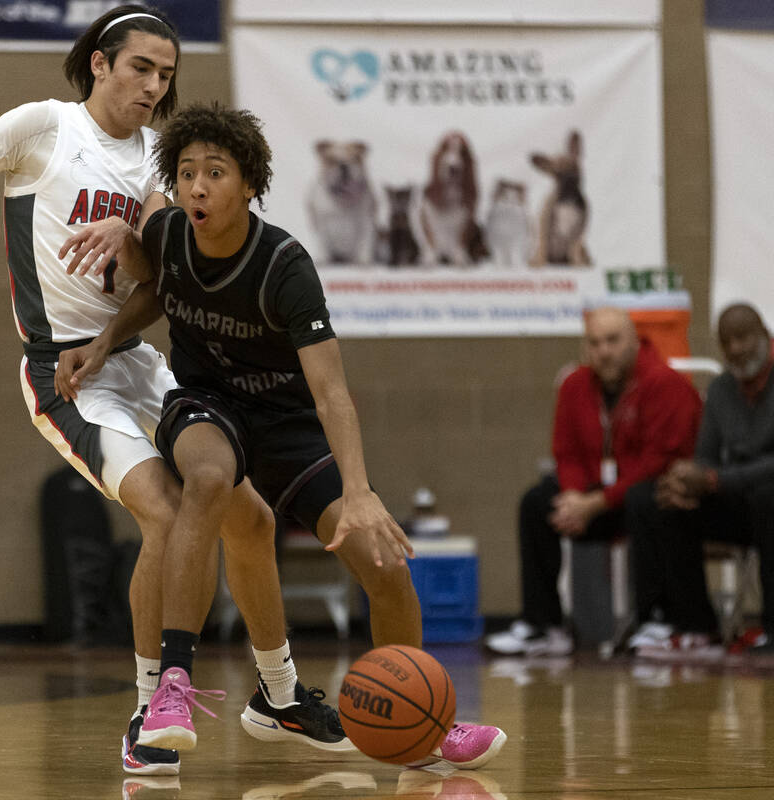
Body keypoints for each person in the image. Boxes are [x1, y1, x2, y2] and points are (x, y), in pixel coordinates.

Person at [0, 6, 350, 776]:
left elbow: (158, 286)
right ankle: (151, 708)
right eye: (142, 67)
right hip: (62, 370)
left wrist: (137, 248)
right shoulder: (39, 127)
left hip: (134, 358)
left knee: (247, 516)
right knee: (168, 511)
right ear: (101, 64)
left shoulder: (158, 159)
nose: (155, 85)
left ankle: (277, 694)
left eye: (168, 74)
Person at [56, 102, 506, 769]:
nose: (198, 186)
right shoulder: (170, 233)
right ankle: (172, 690)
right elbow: (158, 290)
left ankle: (425, 725)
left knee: (384, 565)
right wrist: (104, 343)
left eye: (215, 172)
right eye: (186, 173)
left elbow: (330, 392)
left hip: (288, 423)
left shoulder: (285, 267)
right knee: (206, 479)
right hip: (205, 405)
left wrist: (357, 492)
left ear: (249, 184)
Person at [485, 307, 701, 657]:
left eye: (613, 340)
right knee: (536, 502)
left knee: (647, 500)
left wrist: (595, 504)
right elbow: (565, 452)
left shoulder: (664, 384)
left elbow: (656, 465)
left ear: (634, 341)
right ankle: (544, 625)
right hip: (593, 497)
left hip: (641, 499)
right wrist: (574, 499)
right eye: (595, 342)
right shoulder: (575, 385)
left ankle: (656, 620)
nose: (604, 350)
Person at [626, 303, 774, 659]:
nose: (736, 348)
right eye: (727, 342)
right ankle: (694, 625)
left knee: (769, 497)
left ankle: (771, 627)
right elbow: (706, 455)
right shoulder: (722, 389)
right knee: (657, 498)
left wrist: (711, 478)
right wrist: (686, 479)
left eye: (744, 338)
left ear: (765, 337)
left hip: (767, 499)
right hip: (736, 497)